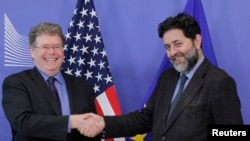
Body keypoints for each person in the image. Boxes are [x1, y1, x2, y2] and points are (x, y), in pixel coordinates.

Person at [79, 12, 243, 141]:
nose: (172, 53)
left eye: (178, 44)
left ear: (197, 41)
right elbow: (145, 119)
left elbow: (231, 133)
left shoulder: (219, 82)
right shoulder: (167, 78)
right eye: (167, 47)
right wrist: (103, 123)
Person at [2, 22, 102, 141]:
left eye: (57, 47)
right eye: (45, 47)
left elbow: (91, 129)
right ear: (32, 51)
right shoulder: (16, 83)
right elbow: (23, 123)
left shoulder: (82, 86)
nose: (51, 52)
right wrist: (72, 122)